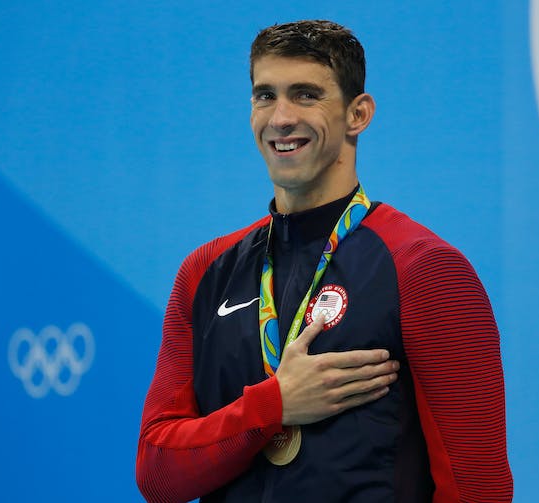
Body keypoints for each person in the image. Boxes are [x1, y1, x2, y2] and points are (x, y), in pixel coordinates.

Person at [136, 20, 512, 503]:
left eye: (306, 95)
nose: (281, 118)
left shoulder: (424, 269)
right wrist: (274, 406)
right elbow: (158, 473)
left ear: (358, 114)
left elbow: (477, 487)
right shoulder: (205, 271)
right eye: (264, 95)